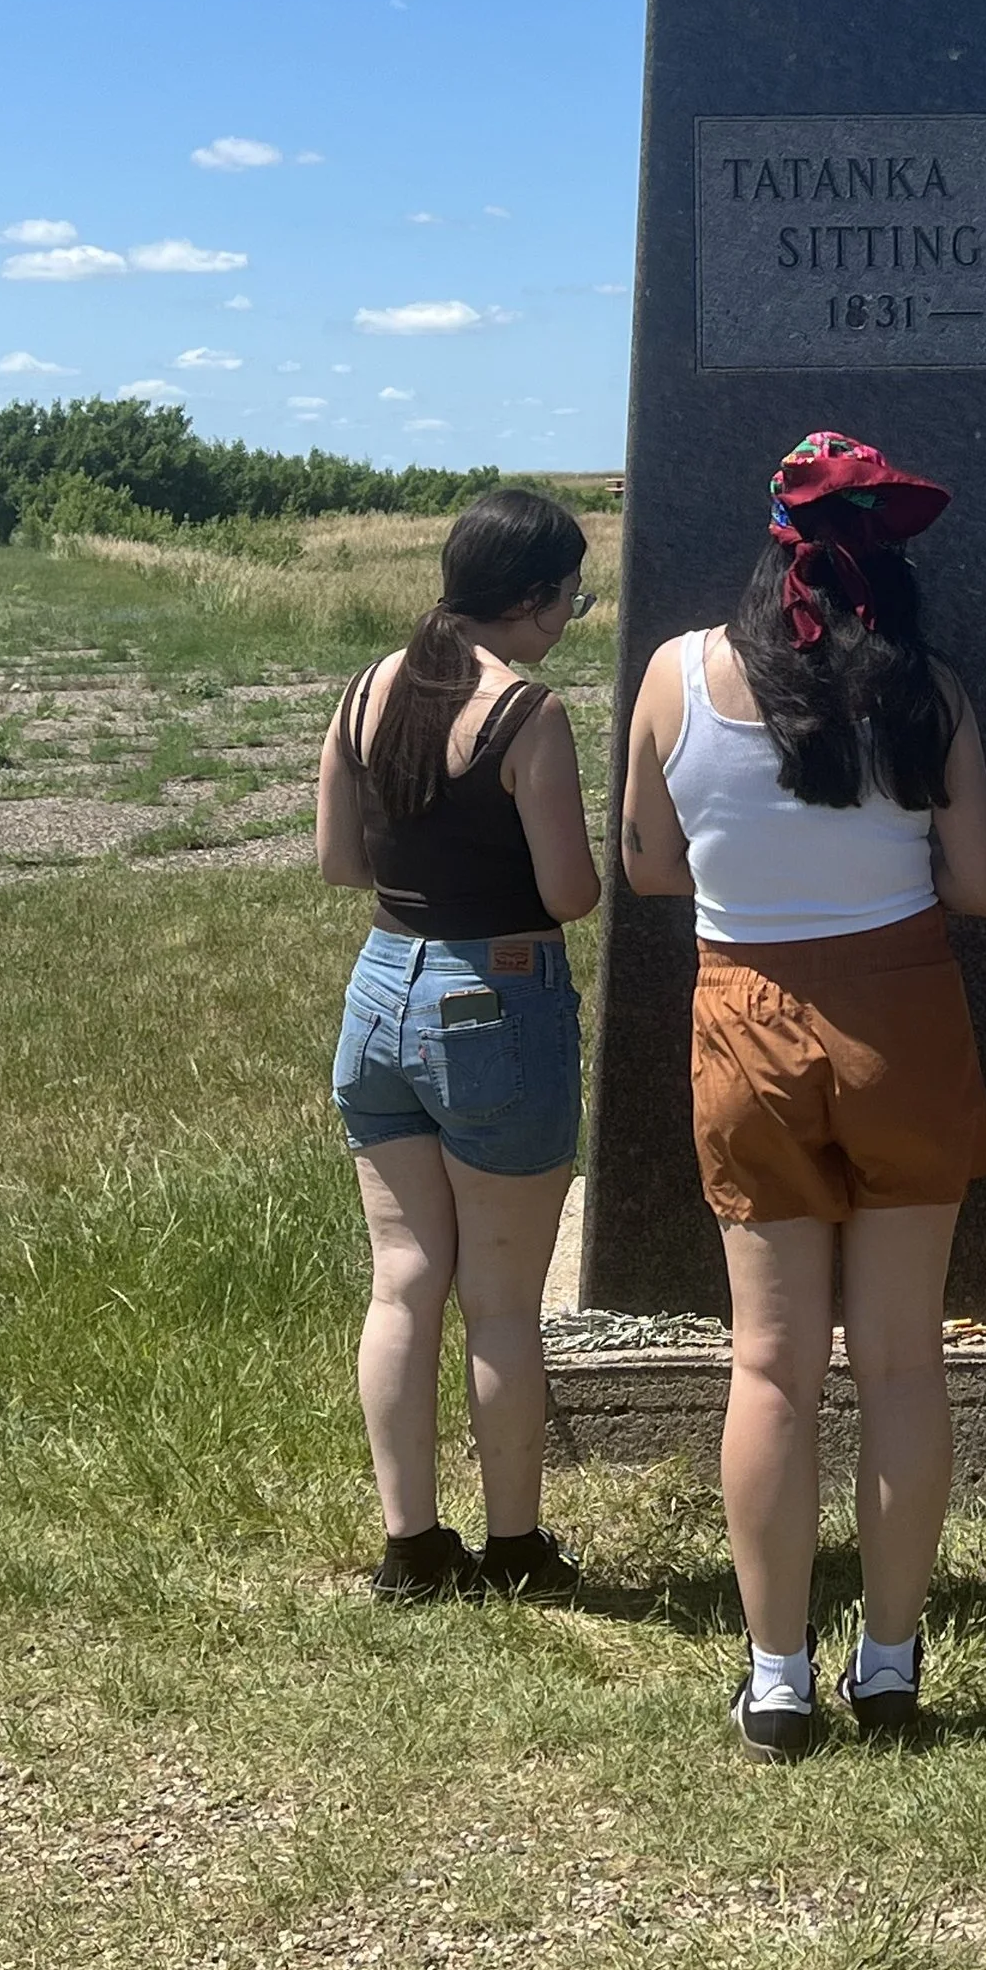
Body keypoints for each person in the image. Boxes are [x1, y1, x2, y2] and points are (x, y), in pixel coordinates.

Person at [620, 432, 986, 1760]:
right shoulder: (928, 693)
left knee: (771, 1363)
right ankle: (890, 1663)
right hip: (900, 1016)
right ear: (884, 554)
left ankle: (777, 1677)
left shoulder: (674, 677)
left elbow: (649, 865)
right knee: (902, 1359)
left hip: (741, 1016)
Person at [315, 489, 602, 1604]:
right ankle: (516, 1547)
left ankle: (411, 1547)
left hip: (379, 988)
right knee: (500, 1299)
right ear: (529, 598)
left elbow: (341, 863)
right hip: (497, 991)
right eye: (570, 601)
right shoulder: (527, 713)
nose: (569, 620)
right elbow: (570, 892)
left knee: (403, 1283)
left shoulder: (364, 690)